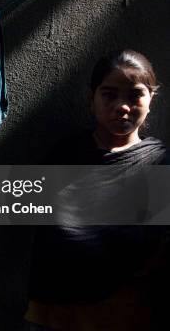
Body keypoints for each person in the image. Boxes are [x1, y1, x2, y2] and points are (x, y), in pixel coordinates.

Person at [24, 49, 170, 330]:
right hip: (54, 311)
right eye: (109, 94)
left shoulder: (158, 162)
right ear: (92, 98)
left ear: (151, 99)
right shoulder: (67, 154)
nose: (122, 106)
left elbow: (156, 242)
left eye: (134, 95)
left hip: (121, 310)